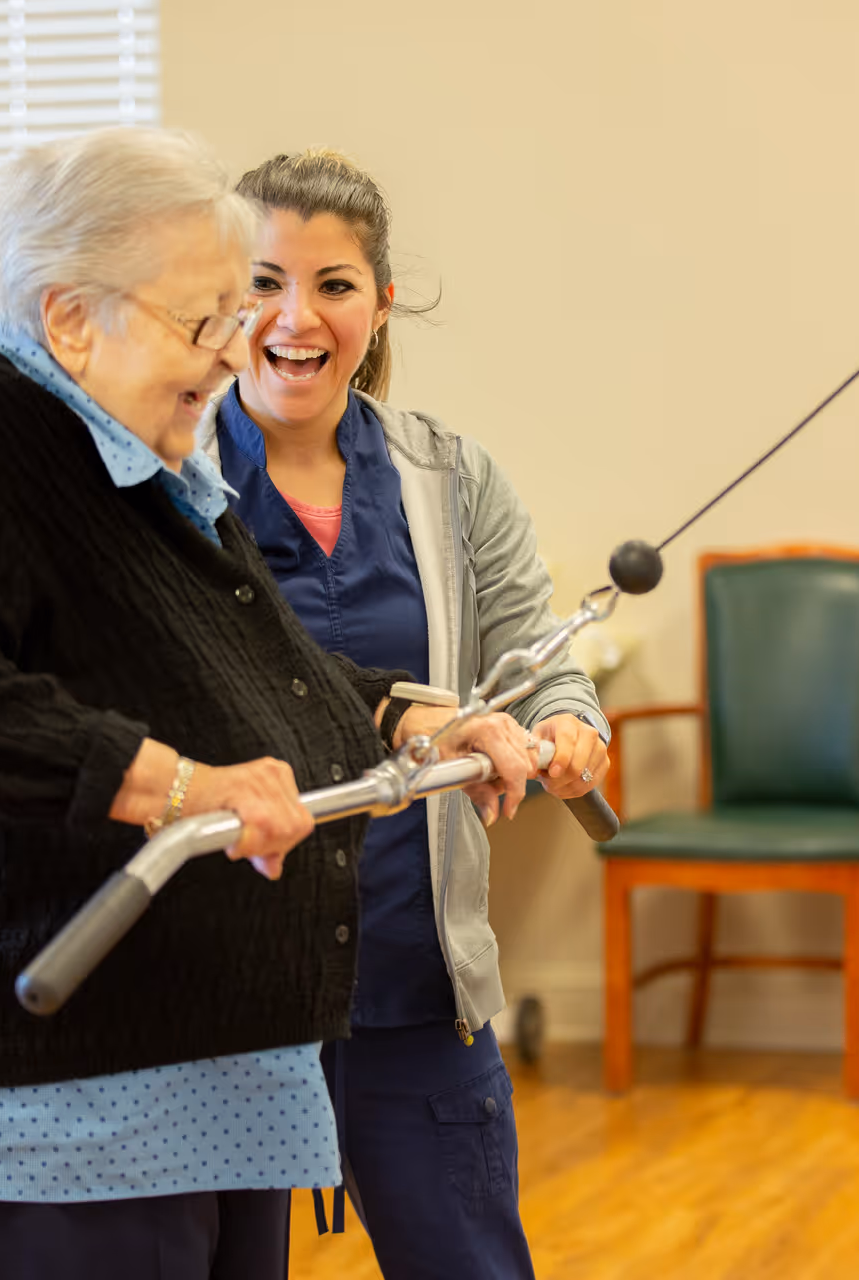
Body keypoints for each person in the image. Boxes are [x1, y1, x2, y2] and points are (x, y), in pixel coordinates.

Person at [0, 127, 540, 1280]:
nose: (234, 349)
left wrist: (406, 715)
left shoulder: (142, 449)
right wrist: (176, 784)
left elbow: (251, 658)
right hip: (47, 1099)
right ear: (72, 317)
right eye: (204, 321)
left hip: (197, 1064)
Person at [210, 148, 609, 1280]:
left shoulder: (452, 475)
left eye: (334, 284)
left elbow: (534, 662)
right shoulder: (171, 477)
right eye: (263, 281)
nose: (297, 317)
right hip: (228, 990)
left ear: (381, 302)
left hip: (413, 975)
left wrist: (572, 725)